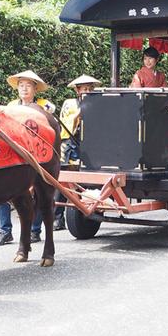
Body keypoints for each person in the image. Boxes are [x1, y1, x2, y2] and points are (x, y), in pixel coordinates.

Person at [0, 69, 55, 246]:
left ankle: (35, 230)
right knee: (1, 190)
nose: (24, 89)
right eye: (21, 86)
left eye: (28, 86)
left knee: (40, 191)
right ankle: (5, 230)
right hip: (14, 154)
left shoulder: (44, 106)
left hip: (36, 153)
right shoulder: (10, 106)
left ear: (35, 89)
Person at [54, 74, 101, 230]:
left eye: (89, 88)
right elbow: (67, 126)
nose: (86, 91)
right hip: (70, 144)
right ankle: (57, 217)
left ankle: (84, 212)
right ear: (77, 90)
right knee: (63, 181)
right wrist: (78, 116)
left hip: (89, 146)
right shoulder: (70, 103)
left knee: (85, 181)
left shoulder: (96, 103)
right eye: (83, 89)